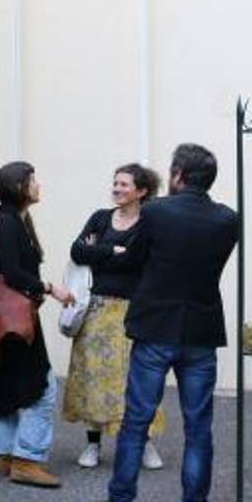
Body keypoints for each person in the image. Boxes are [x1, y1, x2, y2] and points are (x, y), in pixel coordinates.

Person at [96, 143, 239, 502]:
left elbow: (134, 257)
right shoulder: (228, 219)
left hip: (155, 326)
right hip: (201, 330)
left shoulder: (156, 212)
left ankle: (120, 501)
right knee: (199, 425)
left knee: (137, 418)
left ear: (177, 175)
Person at [62, 163, 168, 470]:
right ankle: (92, 445)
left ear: (142, 191)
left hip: (133, 312)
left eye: (124, 184)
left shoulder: (150, 222)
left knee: (135, 379)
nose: (117, 189)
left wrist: (104, 251)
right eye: (116, 183)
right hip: (96, 309)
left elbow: (140, 261)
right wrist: (114, 252)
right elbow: (78, 251)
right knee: (92, 376)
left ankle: (145, 442)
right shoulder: (99, 218)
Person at [0, 161, 76, 489]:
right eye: (33, 179)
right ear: (20, 186)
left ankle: (6, 454)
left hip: (3, 319)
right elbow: (11, 273)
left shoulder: (12, 220)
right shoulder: (8, 223)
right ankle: (27, 459)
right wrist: (50, 288)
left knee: (7, 382)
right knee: (43, 388)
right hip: (14, 322)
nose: (38, 185)